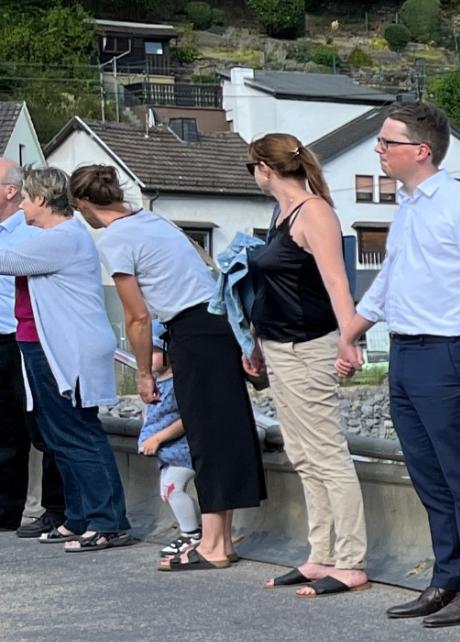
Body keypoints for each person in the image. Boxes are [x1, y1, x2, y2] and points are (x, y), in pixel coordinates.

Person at [344, 101, 460, 629]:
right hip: (407, 351)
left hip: (450, 350)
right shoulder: (408, 206)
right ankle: (448, 577)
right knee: (427, 473)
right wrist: (350, 332)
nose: (379, 150)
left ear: (420, 149)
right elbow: (389, 281)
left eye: (387, 143)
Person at [70, 164, 265, 571]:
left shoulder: (116, 239)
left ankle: (211, 546)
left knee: (207, 437)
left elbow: (137, 316)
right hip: (217, 323)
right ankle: (220, 541)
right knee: (223, 432)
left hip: (192, 330)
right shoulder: (152, 220)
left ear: (84, 204)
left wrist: (143, 373)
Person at [245, 133, 373, 597]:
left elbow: (338, 283)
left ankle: (351, 560)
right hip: (279, 347)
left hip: (308, 346)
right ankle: (321, 553)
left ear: (265, 168)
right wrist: (255, 339)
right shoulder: (280, 215)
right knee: (301, 454)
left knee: (326, 452)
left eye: (251, 168)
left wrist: (349, 340)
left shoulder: (314, 213)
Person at [0, 166, 135, 552]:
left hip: (65, 351)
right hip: (42, 346)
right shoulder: (49, 236)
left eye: (25, 198)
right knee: (59, 438)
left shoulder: (63, 237)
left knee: (78, 434)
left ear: (41, 200)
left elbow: (6, 260)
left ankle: (108, 521)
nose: (22, 205)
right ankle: (78, 517)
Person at [0, 160, 67, 539]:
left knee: (41, 426)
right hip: (2, 341)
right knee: (4, 432)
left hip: (25, 339)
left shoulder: (31, 233)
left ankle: (56, 509)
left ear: (11, 191)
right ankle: (6, 511)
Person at [136, 334, 204, 562]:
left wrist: (157, 438)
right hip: (169, 451)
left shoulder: (177, 383)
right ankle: (194, 528)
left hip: (181, 449)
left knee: (172, 488)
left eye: (153, 352)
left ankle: (191, 533)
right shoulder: (157, 382)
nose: (147, 358)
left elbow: (187, 418)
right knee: (169, 491)